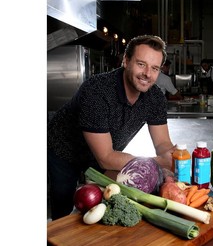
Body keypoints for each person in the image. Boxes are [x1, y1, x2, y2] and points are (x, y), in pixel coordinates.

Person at [47, 35, 176, 220]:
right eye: (141, 64)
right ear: (126, 61)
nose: (148, 73)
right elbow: (106, 158)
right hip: (64, 150)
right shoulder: (97, 91)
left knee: (101, 207)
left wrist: (175, 157)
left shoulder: (155, 98)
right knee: (64, 210)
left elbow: (163, 142)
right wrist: (156, 163)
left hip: (102, 152)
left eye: (155, 68)